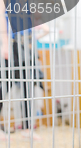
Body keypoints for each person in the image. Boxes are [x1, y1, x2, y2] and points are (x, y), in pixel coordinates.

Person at [0, 1, 48, 140]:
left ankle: (27, 128)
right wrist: (5, 43)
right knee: (4, 85)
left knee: (28, 85)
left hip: (27, 47)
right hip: (12, 45)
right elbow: (1, 16)